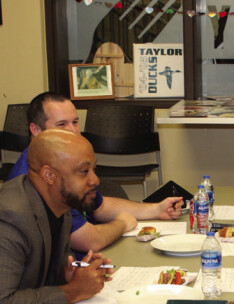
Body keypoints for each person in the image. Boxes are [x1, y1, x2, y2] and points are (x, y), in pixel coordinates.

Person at [7, 92, 184, 260]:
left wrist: (156, 209)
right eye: (61, 124)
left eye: (75, 122)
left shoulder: (65, 160)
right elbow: (88, 240)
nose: (73, 131)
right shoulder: (36, 176)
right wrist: (121, 224)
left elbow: (99, 206)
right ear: (36, 130)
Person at [0, 129, 114, 303]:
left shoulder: (60, 204)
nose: (95, 180)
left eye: (93, 169)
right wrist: (73, 291)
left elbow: (38, 277)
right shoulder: (9, 219)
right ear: (49, 175)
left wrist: (69, 275)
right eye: (84, 171)